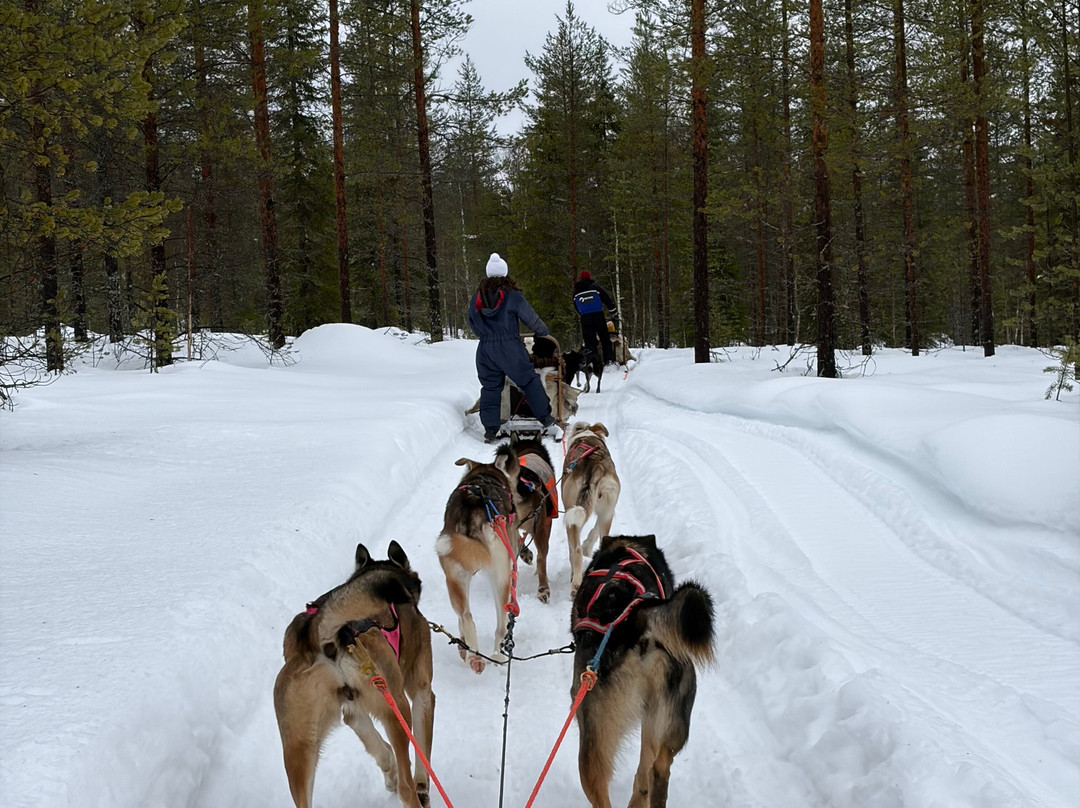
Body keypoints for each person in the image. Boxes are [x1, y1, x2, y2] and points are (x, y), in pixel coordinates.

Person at [468, 253, 557, 443]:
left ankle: (491, 430)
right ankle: (546, 418)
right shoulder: (512, 296)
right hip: (509, 347)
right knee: (529, 381)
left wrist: (486, 335)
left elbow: (472, 321)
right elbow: (530, 317)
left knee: (490, 387)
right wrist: (542, 332)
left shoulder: (477, 297)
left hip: (485, 349)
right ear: (505, 272)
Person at [572, 270, 617, 365]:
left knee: (590, 342)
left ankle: (594, 363)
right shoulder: (596, 288)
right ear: (589, 277)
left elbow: (576, 306)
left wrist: (583, 314)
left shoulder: (576, 292)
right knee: (605, 339)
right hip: (598, 316)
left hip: (585, 318)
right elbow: (607, 300)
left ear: (580, 278)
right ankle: (609, 361)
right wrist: (614, 313)